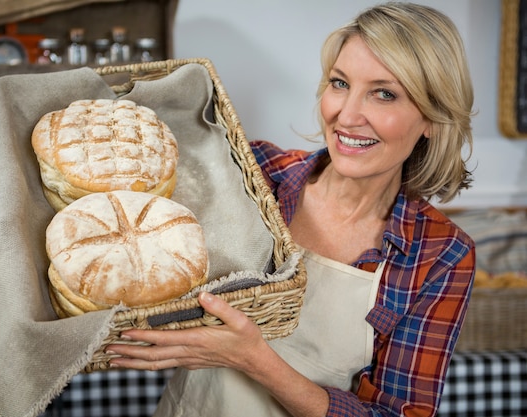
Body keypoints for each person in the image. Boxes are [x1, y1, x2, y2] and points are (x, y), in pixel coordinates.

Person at [105, 2, 476, 416]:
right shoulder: (258, 171)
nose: (346, 115)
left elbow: (396, 413)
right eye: (339, 83)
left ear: (432, 117)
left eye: (384, 93)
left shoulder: (440, 254)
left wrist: (254, 359)